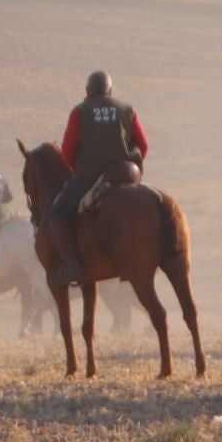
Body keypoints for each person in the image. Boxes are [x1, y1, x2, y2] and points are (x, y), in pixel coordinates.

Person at [47, 71, 149, 285]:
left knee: (57, 214)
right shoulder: (127, 110)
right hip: (125, 173)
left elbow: (67, 150)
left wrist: (77, 170)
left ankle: (73, 267)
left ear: (87, 91)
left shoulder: (80, 112)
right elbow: (144, 145)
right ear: (111, 91)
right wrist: (134, 168)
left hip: (90, 175)